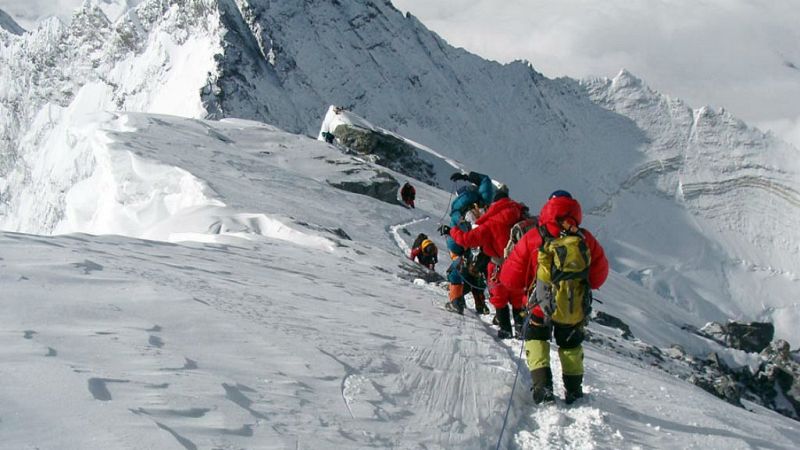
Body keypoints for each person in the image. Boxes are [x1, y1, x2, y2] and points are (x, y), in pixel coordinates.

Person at [500, 190, 609, 404]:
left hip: (540, 305)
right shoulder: (584, 239)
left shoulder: (534, 236)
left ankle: (543, 388)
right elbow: (598, 277)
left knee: (536, 340)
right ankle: (574, 392)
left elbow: (509, 279)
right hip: (572, 305)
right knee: (570, 346)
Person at [443, 184, 527, 337]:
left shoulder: (490, 223)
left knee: (499, 296)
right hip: (520, 265)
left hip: (498, 265)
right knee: (517, 296)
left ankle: (505, 329)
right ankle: (521, 327)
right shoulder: (520, 215)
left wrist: (452, 231)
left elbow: (467, 239)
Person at [438, 171, 496, 315]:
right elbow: (486, 179)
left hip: (468, 246)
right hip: (490, 246)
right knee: (480, 273)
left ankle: (456, 301)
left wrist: (454, 245)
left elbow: (456, 241)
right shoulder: (486, 199)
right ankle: (481, 304)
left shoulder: (457, 213)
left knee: (456, 272)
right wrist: (466, 176)